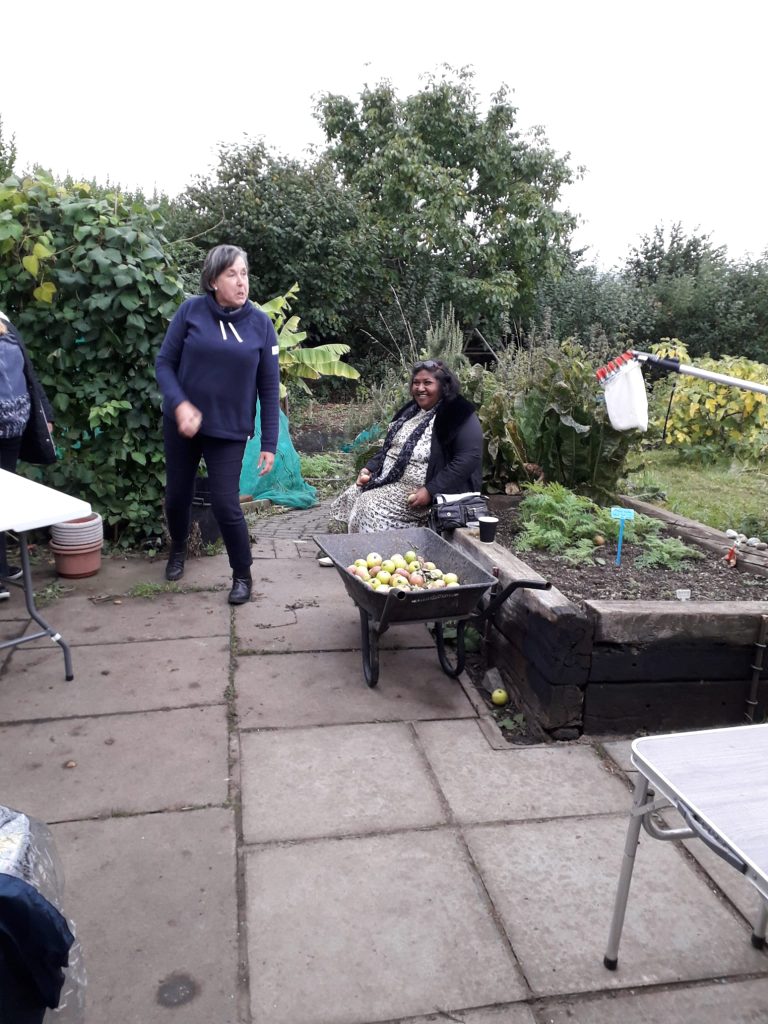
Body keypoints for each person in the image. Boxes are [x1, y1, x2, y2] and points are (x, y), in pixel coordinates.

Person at [155, 244, 280, 604]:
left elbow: (268, 387)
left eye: (244, 274)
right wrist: (180, 406)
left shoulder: (260, 324)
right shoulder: (190, 312)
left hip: (228, 430)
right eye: (232, 274)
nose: (242, 282)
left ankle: (242, 573)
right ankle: (178, 547)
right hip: (183, 425)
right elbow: (164, 364)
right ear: (213, 280)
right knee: (177, 497)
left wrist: (269, 442)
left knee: (227, 505)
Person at [329, 359, 483, 537]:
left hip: (425, 491)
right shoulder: (410, 410)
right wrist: (370, 467)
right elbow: (392, 446)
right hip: (391, 481)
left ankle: (374, 552)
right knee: (353, 493)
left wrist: (430, 490)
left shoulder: (458, 412)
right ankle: (345, 544)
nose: (420, 388)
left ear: (443, 386)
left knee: (369, 504)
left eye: (427, 383)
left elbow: (468, 458)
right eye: (416, 383)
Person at [0, 312, 55, 601]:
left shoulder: (4, 321)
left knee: (2, 501)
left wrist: (45, 412)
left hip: (11, 430)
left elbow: (27, 374)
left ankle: (0, 567)